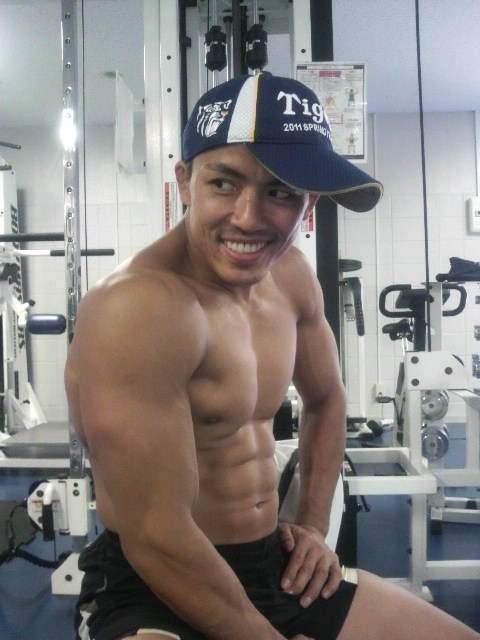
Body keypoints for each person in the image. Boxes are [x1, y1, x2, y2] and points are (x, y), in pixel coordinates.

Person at [65, 72, 479, 640]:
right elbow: (157, 537)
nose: (249, 217)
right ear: (185, 182)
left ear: (308, 203)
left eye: (281, 192)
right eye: (224, 183)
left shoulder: (291, 277)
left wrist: (311, 525)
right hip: (151, 584)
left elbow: (327, 399)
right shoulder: (137, 309)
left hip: (272, 567)